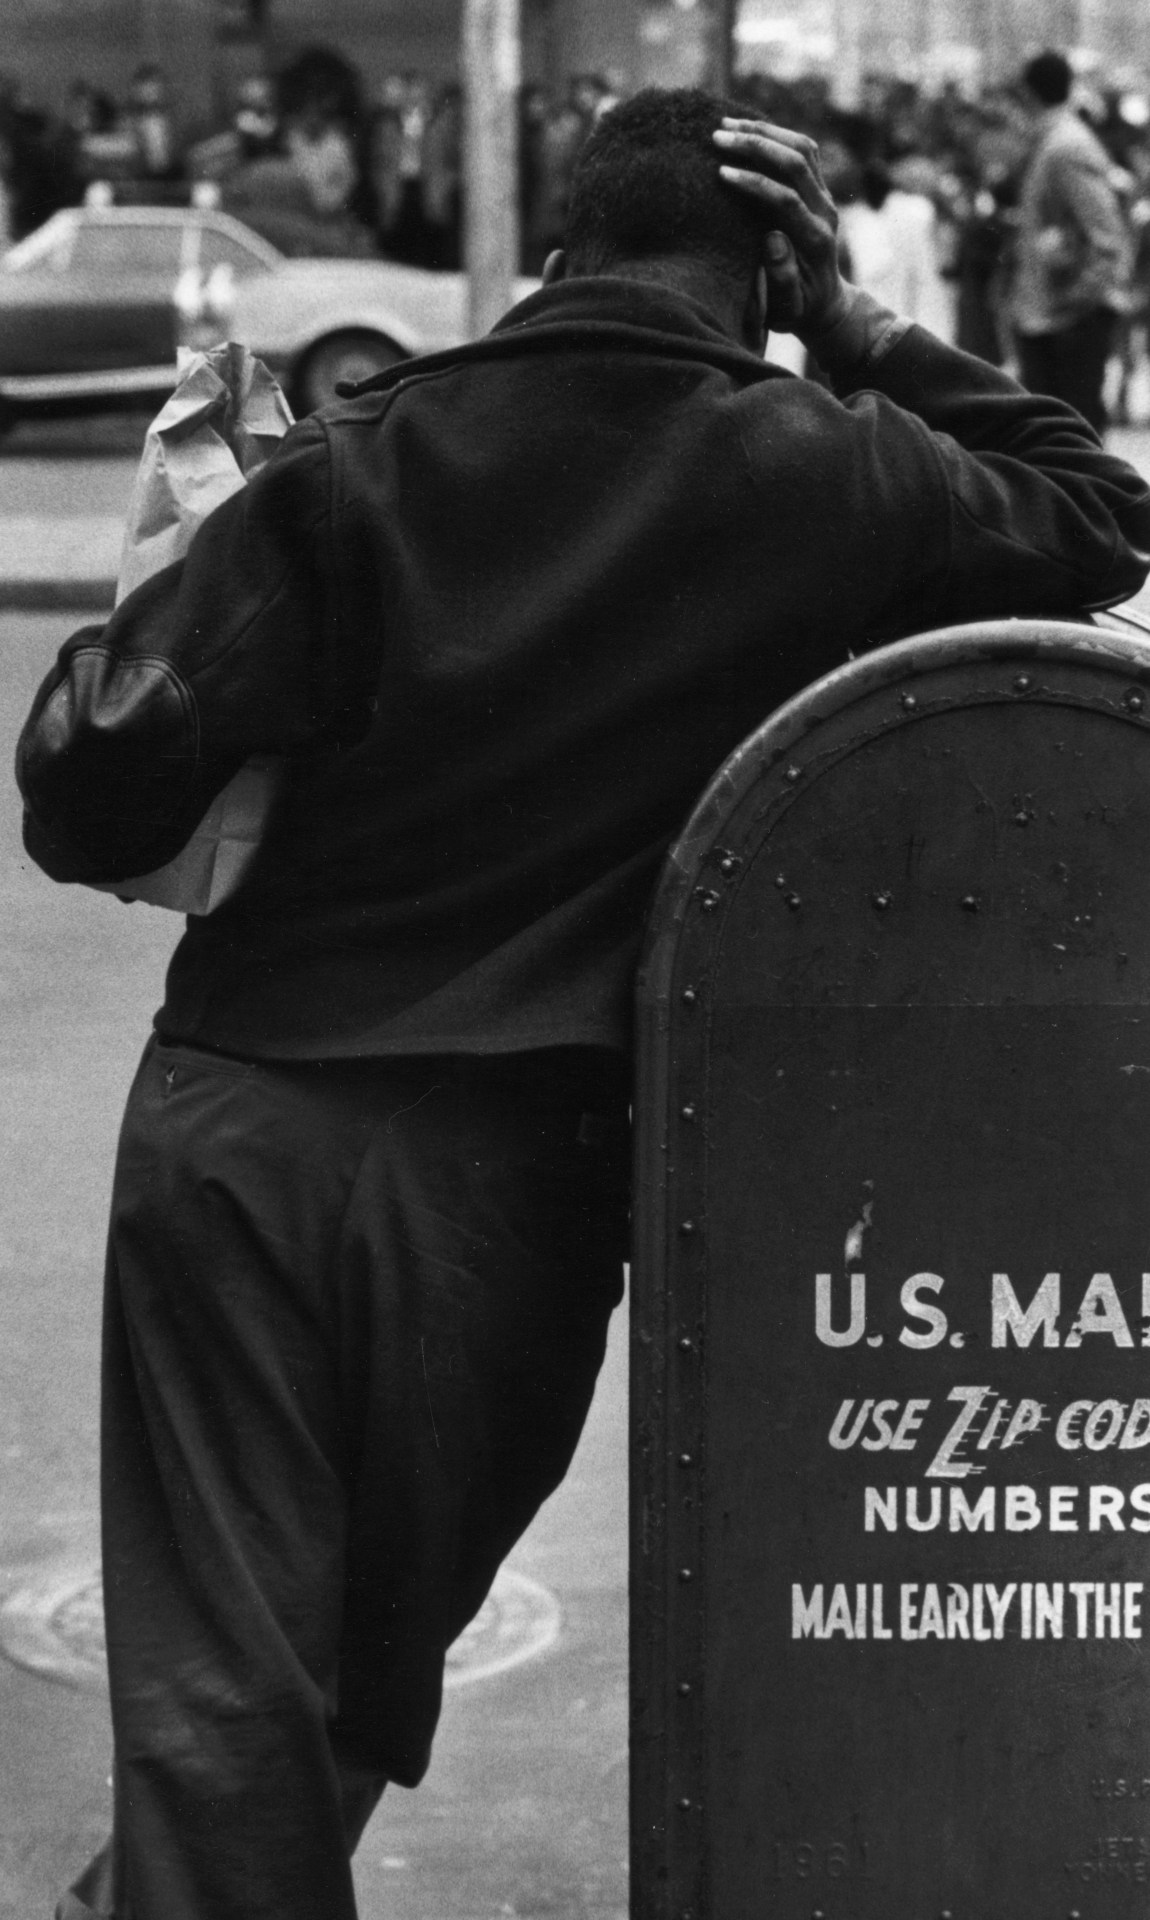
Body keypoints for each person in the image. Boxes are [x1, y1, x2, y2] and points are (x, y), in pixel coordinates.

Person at [16, 87, 1150, 1920]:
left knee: (231, 1681)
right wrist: (864, 332)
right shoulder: (827, 466)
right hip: (512, 1189)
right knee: (374, 1654)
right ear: (772, 274)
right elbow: (1104, 517)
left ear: (557, 245)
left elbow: (86, 787)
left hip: (244, 1127)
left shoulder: (360, 457)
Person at [1009, 48, 1131, 431]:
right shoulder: (1055, 142)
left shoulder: (1067, 147)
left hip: (1066, 325)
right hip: (1050, 319)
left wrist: (1077, 302)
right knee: (1056, 448)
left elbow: (1107, 239)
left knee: (1075, 447)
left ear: (1027, 95)